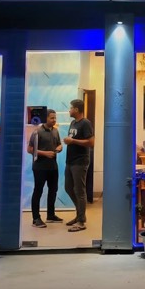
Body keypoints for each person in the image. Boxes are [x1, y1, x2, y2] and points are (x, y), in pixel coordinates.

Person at [27, 109, 63, 228]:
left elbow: (59, 144)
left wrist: (59, 147)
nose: (54, 120)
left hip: (53, 167)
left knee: (53, 190)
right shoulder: (37, 132)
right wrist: (45, 153)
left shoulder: (55, 131)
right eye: (52, 118)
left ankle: (51, 215)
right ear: (46, 118)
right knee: (38, 191)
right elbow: (30, 149)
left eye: (55, 118)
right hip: (40, 167)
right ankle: (36, 218)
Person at [64, 99, 95, 231]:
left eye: (71, 108)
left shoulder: (85, 123)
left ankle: (81, 221)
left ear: (76, 109)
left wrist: (73, 141)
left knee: (79, 191)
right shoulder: (73, 123)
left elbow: (91, 142)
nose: (69, 110)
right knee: (68, 188)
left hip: (80, 161)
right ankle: (79, 215)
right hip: (70, 161)